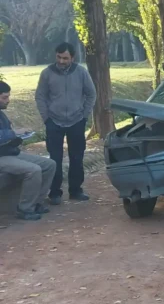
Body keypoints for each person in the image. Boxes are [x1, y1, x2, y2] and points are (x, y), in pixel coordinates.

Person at [34, 43, 96, 204]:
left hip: (77, 121)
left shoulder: (81, 72)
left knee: (77, 157)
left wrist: (84, 115)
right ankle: (54, 193)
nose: (61, 61)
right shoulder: (47, 73)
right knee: (55, 159)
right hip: (54, 122)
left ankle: (76, 190)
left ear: (72, 58)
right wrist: (46, 117)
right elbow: (40, 96)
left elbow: (91, 94)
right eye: (59, 57)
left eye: (65, 58)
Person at [0, 81, 56, 220]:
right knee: (33, 170)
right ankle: (25, 209)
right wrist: (14, 133)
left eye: (8, 97)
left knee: (50, 164)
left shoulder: (2, 114)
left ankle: (37, 202)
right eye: (4, 97)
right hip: (2, 157)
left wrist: (19, 137)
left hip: (10, 152)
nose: (8, 100)